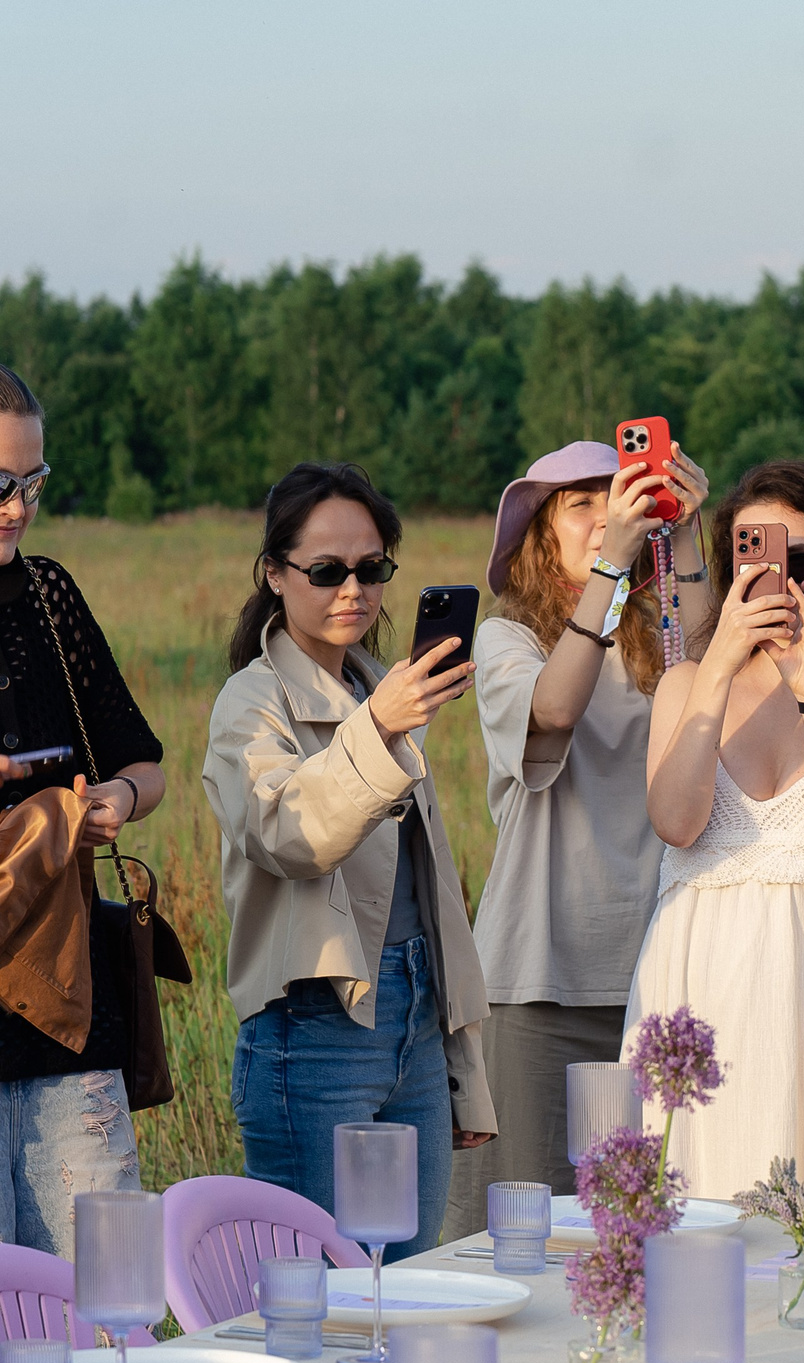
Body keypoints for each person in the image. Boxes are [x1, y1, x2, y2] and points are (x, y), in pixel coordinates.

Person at [204, 462, 495, 1261]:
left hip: (412, 1014)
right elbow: (290, 836)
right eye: (326, 571)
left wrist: (460, 1063)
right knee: (324, 1306)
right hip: (314, 1026)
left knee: (408, 1288)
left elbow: (431, 899)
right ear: (274, 573)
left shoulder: (377, 686)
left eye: (372, 569)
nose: (352, 591)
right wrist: (381, 729)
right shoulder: (251, 703)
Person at [446, 438, 712, 1234]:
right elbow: (556, 708)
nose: (607, 518)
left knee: (640, 1224)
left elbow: (705, 673)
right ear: (542, 534)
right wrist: (613, 571)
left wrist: (689, 540)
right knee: (523, 1225)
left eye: (621, 496)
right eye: (583, 505)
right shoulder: (508, 640)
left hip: (655, 973)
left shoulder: (652, 629)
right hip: (540, 978)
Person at [628, 460, 804, 1200]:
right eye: (752, 561)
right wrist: (714, 665)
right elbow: (676, 821)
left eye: (798, 563)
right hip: (696, 981)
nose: (774, 585)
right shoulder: (687, 684)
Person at [0, 363, 165, 1253]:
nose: (18, 507)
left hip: (73, 1022)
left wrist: (117, 798)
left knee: (109, 1317)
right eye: (0, 484)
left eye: (34, 482)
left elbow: (147, 763)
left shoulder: (50, 598)